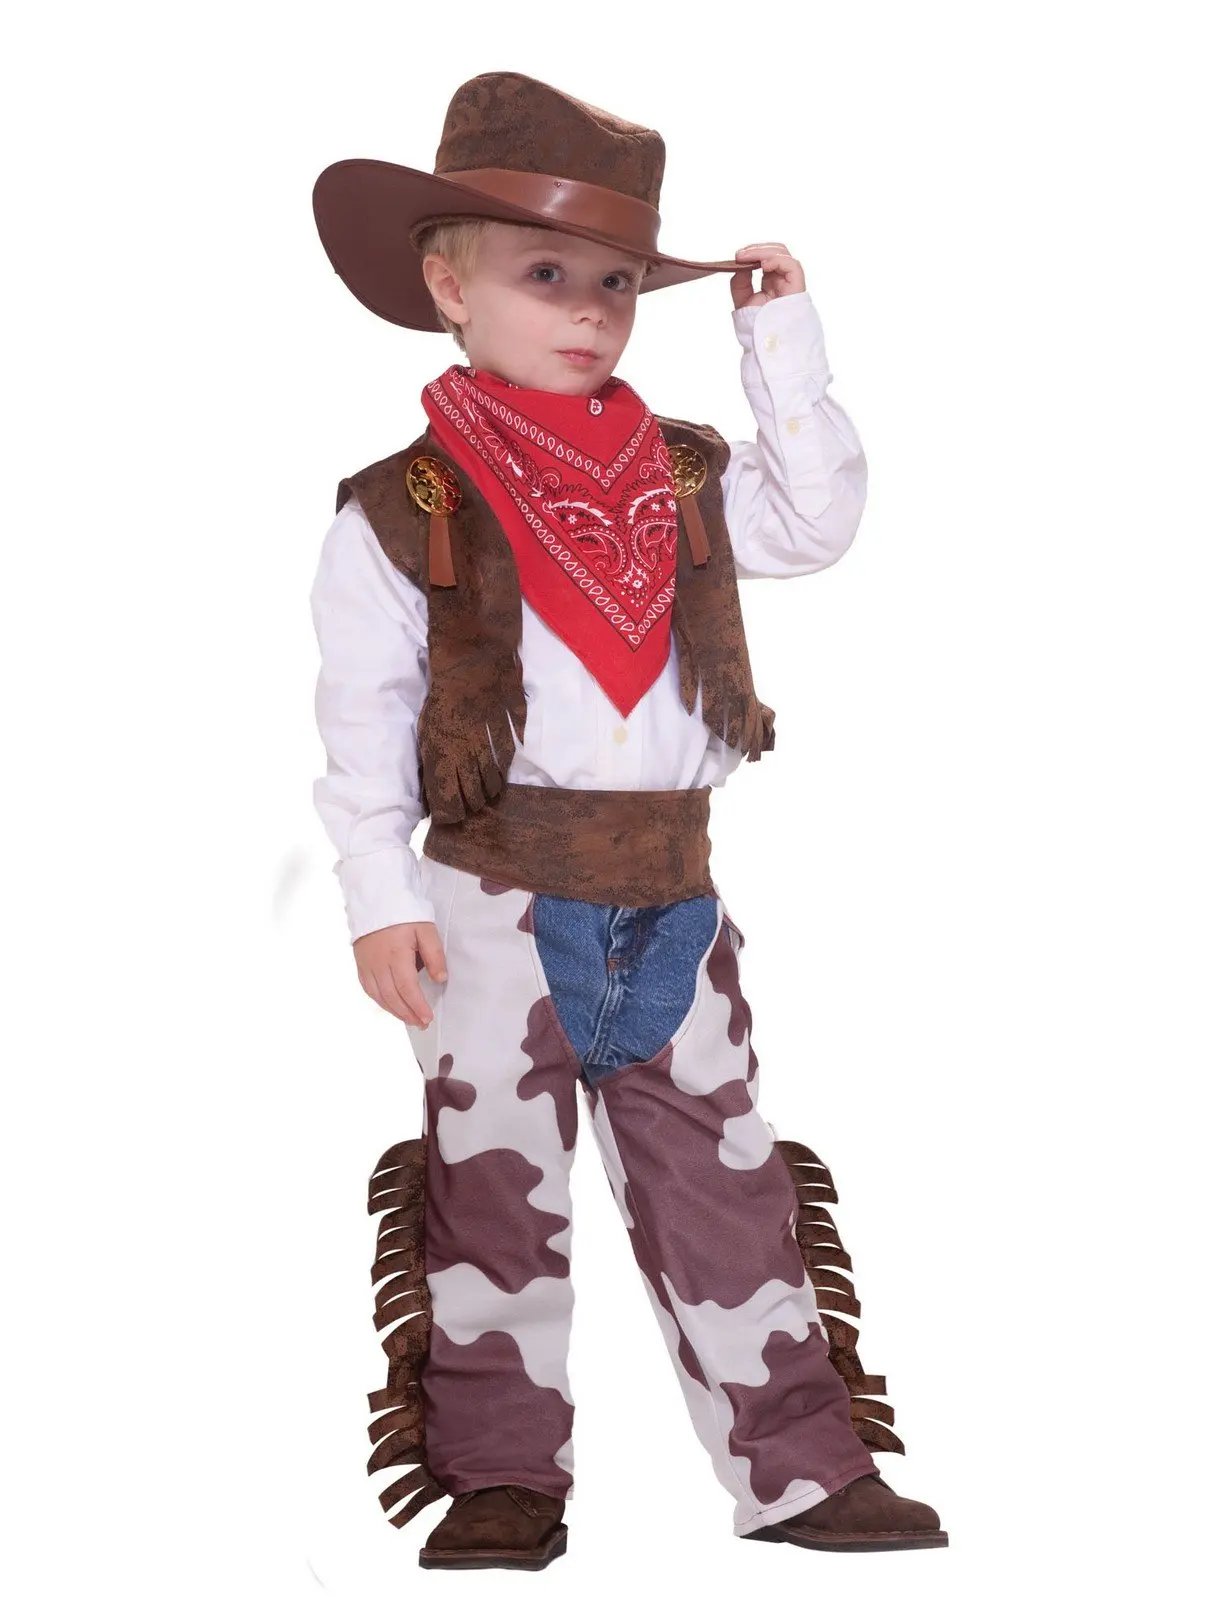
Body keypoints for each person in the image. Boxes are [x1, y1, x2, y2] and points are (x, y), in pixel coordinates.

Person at [310, 70, 946, 1569]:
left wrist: (777, 341)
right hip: (490, 896)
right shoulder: (401, 506)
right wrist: (375, 895)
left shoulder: (681, 475)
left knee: (726, 1179)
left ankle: (803, 1468)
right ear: (448, 286)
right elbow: (361, 717)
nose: (592, 314)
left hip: (669, 887)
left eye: (616, 285)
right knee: (492, 1188)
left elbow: (820, 520)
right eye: (547, 277)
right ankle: (496, 1472)